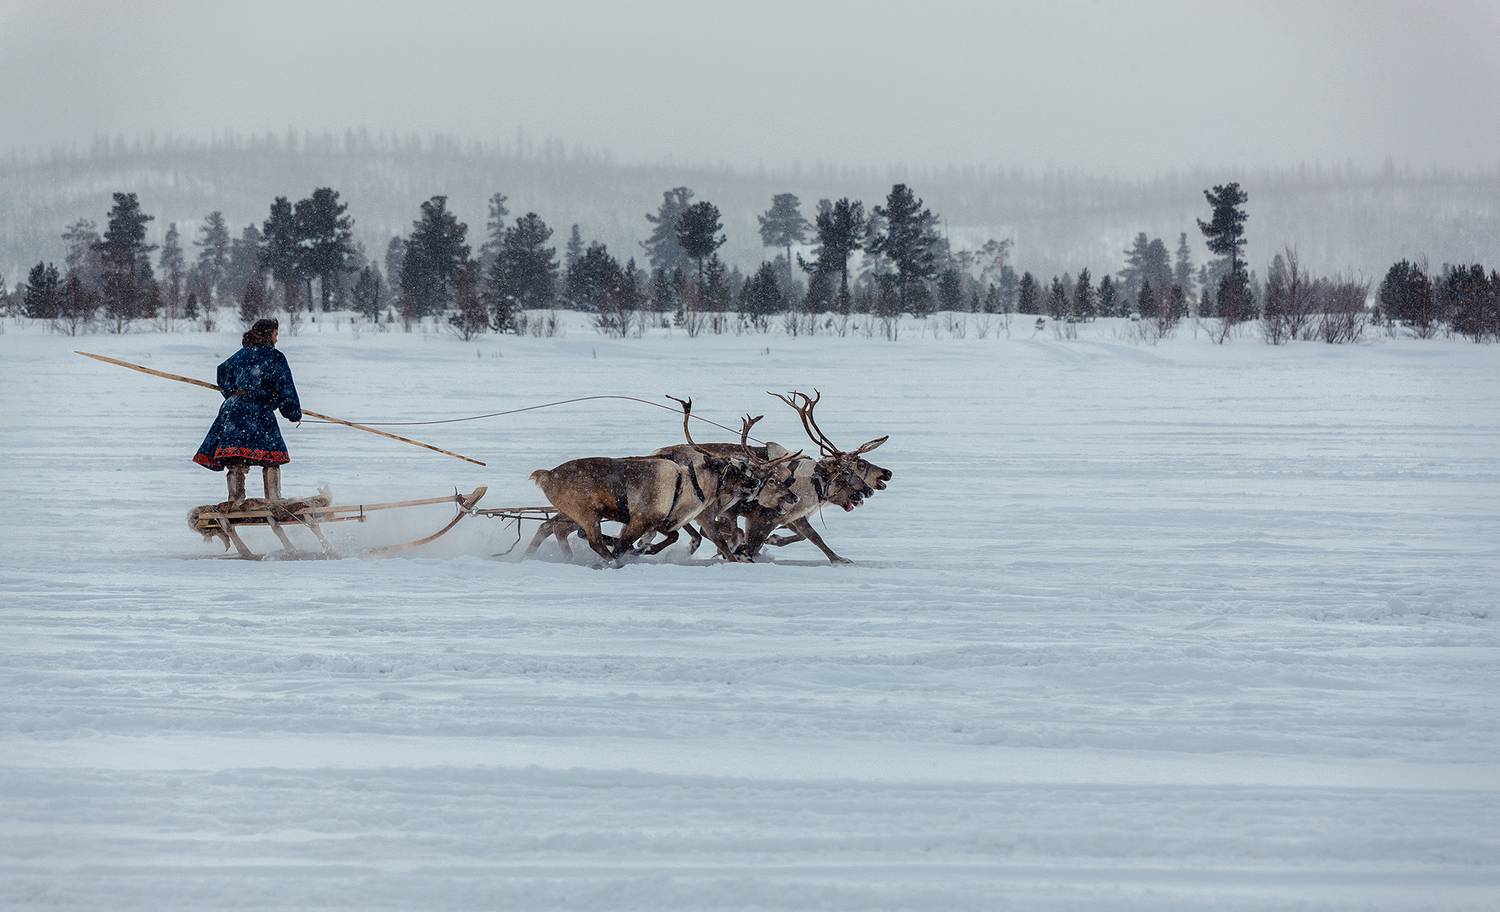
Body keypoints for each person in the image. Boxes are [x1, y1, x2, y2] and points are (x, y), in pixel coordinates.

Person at [193, 318, 302, 503]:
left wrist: (233, 394)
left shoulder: (241, 355)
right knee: (271, 454)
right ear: (268, 334)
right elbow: (285, 387)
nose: (277, 340)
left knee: (236, 456)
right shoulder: (274, 357)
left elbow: (222, 372)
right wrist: (292, 411)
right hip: (256, 409)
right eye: (276, 334)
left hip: (232, 409)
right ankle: (274, 500)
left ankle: (235, 501)